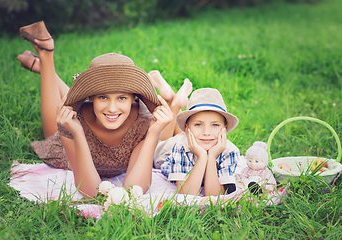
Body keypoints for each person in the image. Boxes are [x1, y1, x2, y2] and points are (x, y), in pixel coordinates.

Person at [17, 21, 176, 198]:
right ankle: (46, 56)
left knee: (74, 105)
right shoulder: (74, 120)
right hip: (67, 145)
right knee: (56, 123)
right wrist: (77, 133)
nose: (112, 108)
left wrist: (154, 134)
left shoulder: (144, 121)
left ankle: (46, 68)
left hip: (110, 121)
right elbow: (90, 192)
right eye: (102, 97)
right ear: (90, 97)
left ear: (134, 98)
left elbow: (134, 189)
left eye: (122, 98)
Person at [159, 88, 240, 196]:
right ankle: (175, 104)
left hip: (194, 139)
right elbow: (186, 194)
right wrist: (202, 157)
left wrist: (210, 157)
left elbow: (214, 196)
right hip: (165, 154)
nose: (206, 132)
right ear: (187, 128)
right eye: (198, 124)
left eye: (215, 125)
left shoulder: (230, 151)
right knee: (163, 138)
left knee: (192, 134)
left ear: (225, 128)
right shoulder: (181, 147)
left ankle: (177, 101)